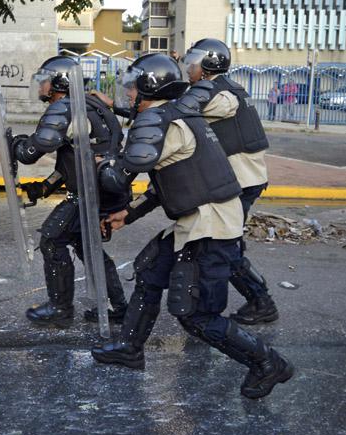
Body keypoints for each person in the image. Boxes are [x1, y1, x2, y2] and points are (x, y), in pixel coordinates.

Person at [89, 53, 293, 400]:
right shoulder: (179, 115)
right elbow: (166, 182)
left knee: (197, 315)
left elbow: (118, 176)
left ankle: (268, 362)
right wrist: (130, 214)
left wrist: (101, 165)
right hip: (198, 219)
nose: (128, 94)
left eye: (132, 87)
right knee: (150, 273)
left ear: (148, 86)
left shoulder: (162, 123)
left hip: (210, 226)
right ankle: (129, 347)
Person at [10, 55, 130, 328]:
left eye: (44, 81)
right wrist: (46, 186)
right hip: (104, 189)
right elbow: (72, 162)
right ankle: (117, 306)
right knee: (87, 248)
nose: (40, 86)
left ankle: (60, 309)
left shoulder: (66, 108)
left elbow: (35, 149)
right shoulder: (91, 105)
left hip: (90, 193)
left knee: (52, 241)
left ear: (59, 83)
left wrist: (16, 146)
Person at [177, 38, 279, 326]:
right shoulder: (223, 88)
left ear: (209, 65)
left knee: (225, 246)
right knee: (221, 244)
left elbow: (181, 114)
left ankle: (261, 301)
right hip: (240, 179)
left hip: (241, 181)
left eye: (193, 62)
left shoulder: (221, 96)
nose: (189, 67)